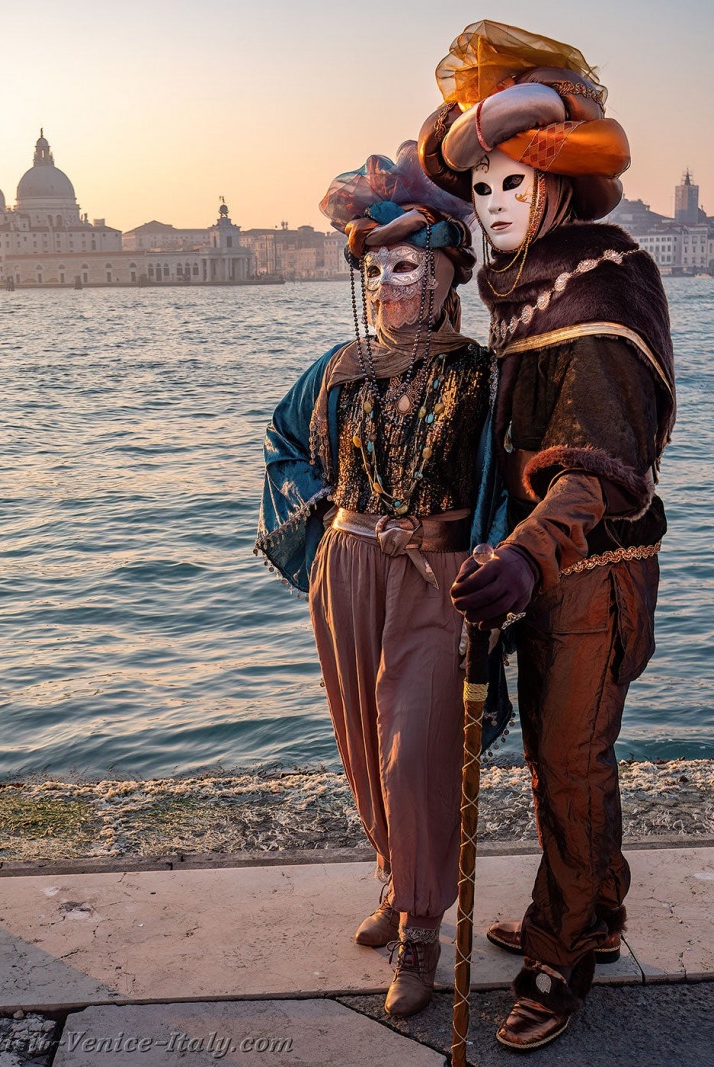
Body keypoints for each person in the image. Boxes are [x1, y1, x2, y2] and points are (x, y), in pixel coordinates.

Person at [418, 21, 676, 1050]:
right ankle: (590, 910)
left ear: (556, 187)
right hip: (541, 565)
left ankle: (561, 958)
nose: (492, 206)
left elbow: (602, 459)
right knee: (551, 757)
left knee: (569, 764)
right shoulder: (522, 286)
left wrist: (525, 552)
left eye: (511, 185)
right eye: (477, 189)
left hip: (591, 561)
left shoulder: (603, 279)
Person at [256, 142, 509, 1018]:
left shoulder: (481, 377)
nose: (388, 285)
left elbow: (502, 486)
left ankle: (422, 932)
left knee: (416, 754)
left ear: (444, 274)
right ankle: (394, 881)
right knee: (364, 745)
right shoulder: (337, 368)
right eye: (375, 269)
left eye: (407, 266)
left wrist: (493, 562)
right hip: (349, 567)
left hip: (434, 579)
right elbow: (280, 442)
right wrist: (321, 501)